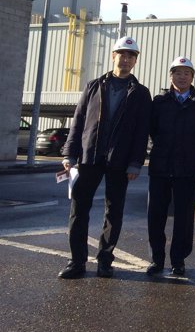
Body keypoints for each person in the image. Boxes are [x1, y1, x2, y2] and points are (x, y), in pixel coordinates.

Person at [58, 36, 152, 279]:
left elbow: (142, 132)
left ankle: (105, 261)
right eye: (122, 53)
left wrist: (135, 162)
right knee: (79, 209)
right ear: (113, 55)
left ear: (135, 61)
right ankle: (76, 262)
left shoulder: (141, 93)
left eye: (131, 55)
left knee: (114, 211)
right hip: (90, 158)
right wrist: (70, 153)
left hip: (120, 162)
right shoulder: (93, 86)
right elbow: (78, 122)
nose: (126, 58)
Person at [146, 57, 195, 276]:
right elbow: (152, 130)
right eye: (177, 73)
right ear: (170, 75)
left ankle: (178, 260)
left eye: (187, 73)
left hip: (188, 169)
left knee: (184, 218)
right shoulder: (159, 102)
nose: (182, 77)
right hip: (160, 168)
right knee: (156, 215)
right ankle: (156, 259)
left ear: (192, 77)